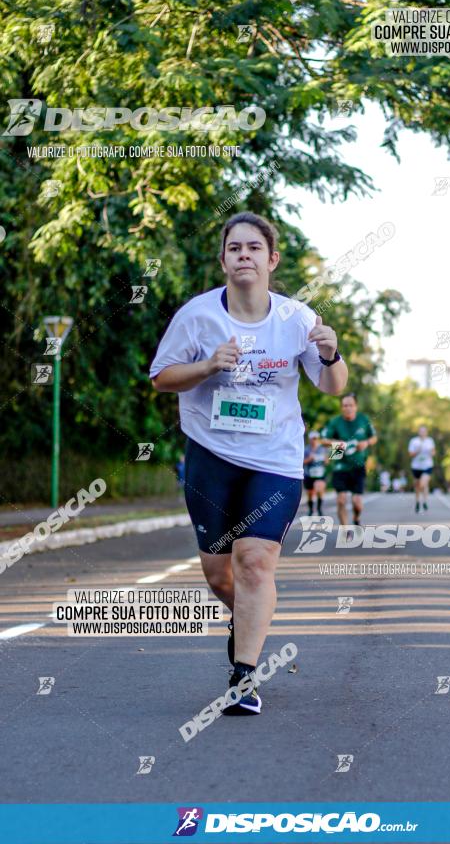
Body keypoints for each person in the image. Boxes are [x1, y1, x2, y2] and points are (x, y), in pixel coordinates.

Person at [149, 211, 348, 715]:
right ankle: (249, 622)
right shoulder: (197, 316)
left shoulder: (296, 319)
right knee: (220, 577)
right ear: (223, 261)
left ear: (271, 259)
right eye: (234, 248)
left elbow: (332, 386)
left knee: (255, 563)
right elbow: (162, 377)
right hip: (210, 458)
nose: (244, 255)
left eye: (254, 248)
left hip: (275, 461)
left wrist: (331, 355)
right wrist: (209, 365)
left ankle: (244, 676)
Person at [321, 393, 377, 526]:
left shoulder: (364, 420)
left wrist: (366, 443)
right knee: (341, 500)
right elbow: (323, 440)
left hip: (358, 465)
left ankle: (357, 518)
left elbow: (374, 437)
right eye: (345, 405)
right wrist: (336, 443)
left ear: (356, 406)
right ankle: (345, 531)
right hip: (340, 465)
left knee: (357, 502)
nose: (348, 408)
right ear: (341, 408)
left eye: (350, 405)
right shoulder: (335, 422)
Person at [408, 425, 436, 513]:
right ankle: (417, 502)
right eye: (421, 431)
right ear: (418, 432)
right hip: (416, 466)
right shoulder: (414, 441)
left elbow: (434, 452)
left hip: (427, 465)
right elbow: (410, 454)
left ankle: (425, 501)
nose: (423, 432)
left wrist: (431, 452)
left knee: (423, 484)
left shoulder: (430, 441)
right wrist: (417, 451)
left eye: (424, 431)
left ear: (426, 432)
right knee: (417, 486)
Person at [303, 431, 327, 515]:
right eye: (312, 439)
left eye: (315, 438)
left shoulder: (323, 449)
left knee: (320, 490)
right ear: (310, 439)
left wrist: (324, 460)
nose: (314, 440)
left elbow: (327, 462)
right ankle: (311, 509)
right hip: (309, 474)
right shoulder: (306, 449)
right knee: (310, 493)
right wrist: (309, 459)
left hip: (320, 474)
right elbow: (302, 462)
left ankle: (319, 509)